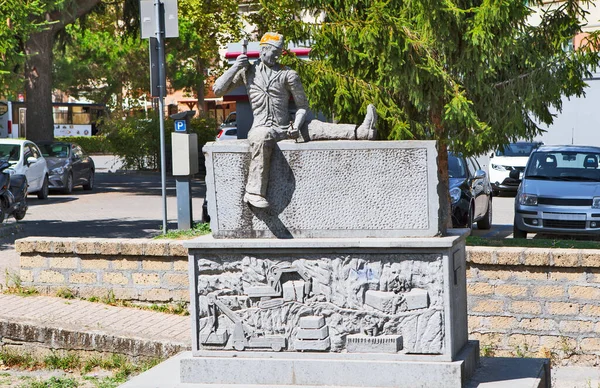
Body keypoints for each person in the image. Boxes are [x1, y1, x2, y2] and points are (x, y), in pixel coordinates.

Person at [213, 32, 377, 209]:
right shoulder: (248, 73)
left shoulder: (288, 74)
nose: (277, 55)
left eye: (280, 52)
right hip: (262, 128)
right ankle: (254, 192)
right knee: (261, 137)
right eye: (274, 51)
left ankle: (361, 131)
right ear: (263, 50)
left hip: (286, 127)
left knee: (318, 127)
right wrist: (235, 66)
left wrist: (297, 125)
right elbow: (217, 90)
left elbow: (302, 107)